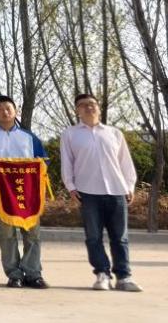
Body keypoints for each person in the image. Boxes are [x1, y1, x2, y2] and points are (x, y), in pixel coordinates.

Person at [60, 93, 142, 292]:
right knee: (93, 237)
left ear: (98, 108)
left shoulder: (114, 133)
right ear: (77, 110)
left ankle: (124, 277)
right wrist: (71, 186)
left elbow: (125, 162)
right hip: (87, 192)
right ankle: (102, 274)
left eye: (92, 104)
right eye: (83, 105)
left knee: (120, 237)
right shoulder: (70, 134)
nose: (89, 107)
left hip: (116, 190)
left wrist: (129, 185)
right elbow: (67, 162)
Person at [0, 95, 48, 289]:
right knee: (6, 235)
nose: (5, 112)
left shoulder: (28, 137)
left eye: (8, 108)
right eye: (0, 109)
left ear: (16, 110)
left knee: (32, 234)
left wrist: (39, 164)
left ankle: (33, 273)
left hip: (27, 195)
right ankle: (14, 274)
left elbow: (43, 160)